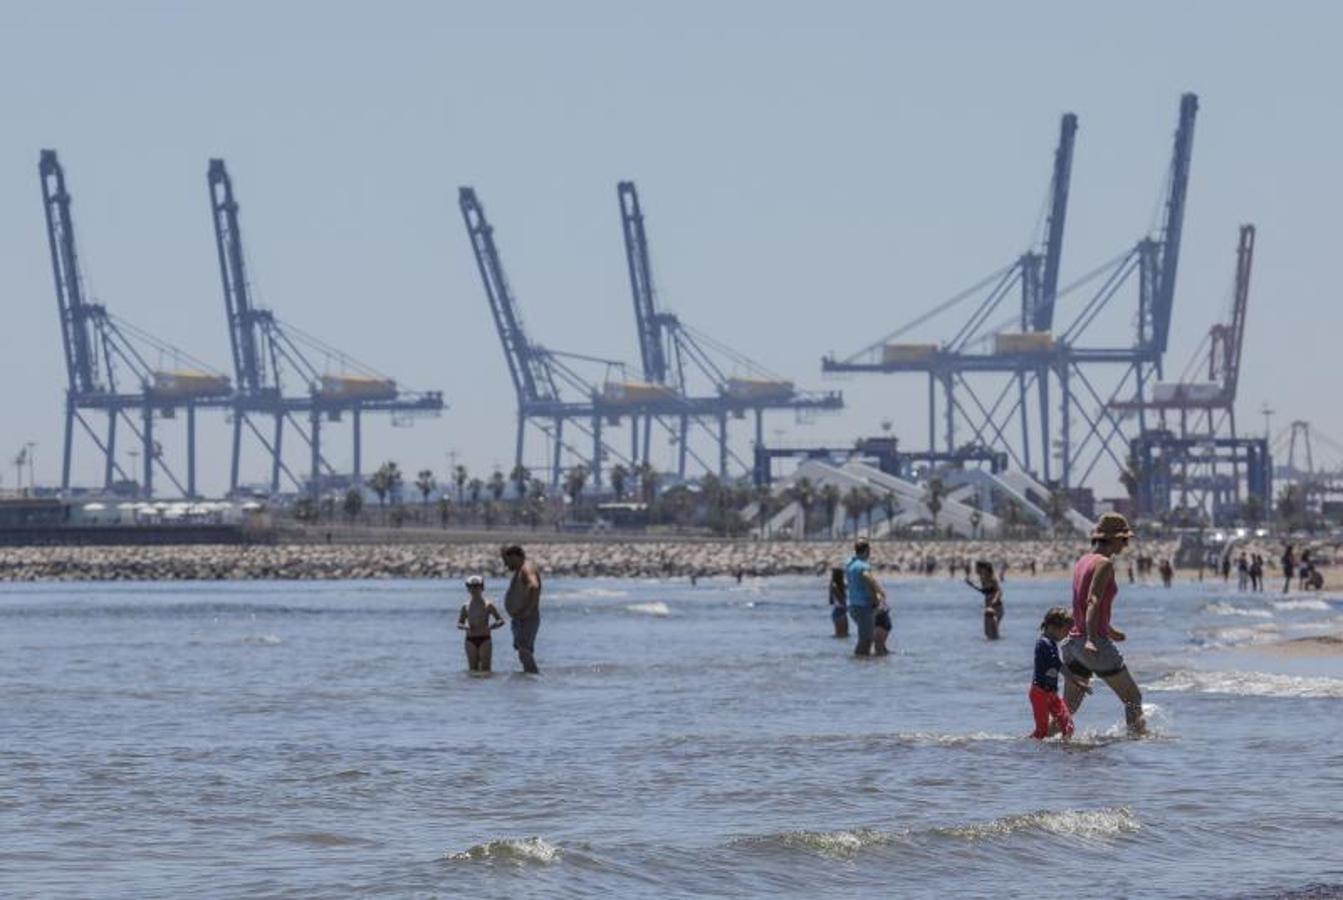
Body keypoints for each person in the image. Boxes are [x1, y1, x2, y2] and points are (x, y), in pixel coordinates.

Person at [1060, 512, 1146, 735]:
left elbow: (1080, 603)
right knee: (1133, 699)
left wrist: (1109, 629)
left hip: (1073, 644)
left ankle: (1041, 744)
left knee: (1067, 710)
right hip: (1092, 644)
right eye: (1124, 539)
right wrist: (1092, 637)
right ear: (1114, 539)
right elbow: (1092, 601)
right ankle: (1139, 743)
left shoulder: (1083, 561)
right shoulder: (1104, 564)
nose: (1126, 545)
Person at [1031, 607, 1087, 740]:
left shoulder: (1052, 643)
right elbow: (1057, 664)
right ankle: (1025, 750)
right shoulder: (1043, 644)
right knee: (1042, 732)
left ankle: (1063, 755)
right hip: (1039, 693)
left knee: (1068, 727)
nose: (1067, 634)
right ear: (1053, 627)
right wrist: (1077, 681)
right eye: (1066, 630)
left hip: (1052, 694)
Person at [502, 544, 542, 674]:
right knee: (523, 653)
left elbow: (534, 586)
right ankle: (529, 680)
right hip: (520, 619)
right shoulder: (520, 570)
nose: (505, 565)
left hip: (527, 619)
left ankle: (535, 678)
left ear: (514, 556)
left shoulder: (526, 568)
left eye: (506, 561)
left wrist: (528, 610)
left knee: (524, 652)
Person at [844, 538, 887, 656]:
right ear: (867, 551)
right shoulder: (863, 566)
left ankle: (863, 664)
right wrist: (880, 590)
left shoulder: (850, 564)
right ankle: (859, 664)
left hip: (853, 606)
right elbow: (868, 577)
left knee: (866, 638)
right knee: (866, 640)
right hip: (863, 608)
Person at [457, 575, 505, 672]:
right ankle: (473, 687)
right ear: (468, 589)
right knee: (472, 669)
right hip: (470, 640)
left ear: (482, 588)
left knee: (486, 670)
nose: (474, 589)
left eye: (476, 586)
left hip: (485, 639)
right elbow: (459, 623)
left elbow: (500, 620)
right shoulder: (465, 606)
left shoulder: (488, 605)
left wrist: (491, 626)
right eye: (471, 587)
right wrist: (466, 627)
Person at [965, 560, 1003, 640]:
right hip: (988, 607)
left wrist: (994, 600)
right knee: (988, 634)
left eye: (977, 567)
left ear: (984, 569)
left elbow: (999, 591)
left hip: (997, 607)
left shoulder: (992, 578)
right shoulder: (983, 579)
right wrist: (972, 585)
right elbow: (985, 592)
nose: (975, 569)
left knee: (993, 634)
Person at [828, 567, 849, 638]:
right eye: (842, 575)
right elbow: (841, 599)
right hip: (839, 611)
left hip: (840, 610)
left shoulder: (837, 585)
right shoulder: (835, 586)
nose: (843, 576)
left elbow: (831, 601)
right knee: (840, 636)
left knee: (844, 635)